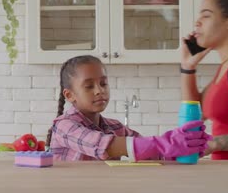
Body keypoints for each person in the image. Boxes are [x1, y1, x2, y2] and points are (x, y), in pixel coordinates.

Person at [46, 55, 211, 161]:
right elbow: (104, 145)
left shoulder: (115, 127)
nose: (99, 90)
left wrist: (192, 146)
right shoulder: (63, 126)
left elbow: (152, 152)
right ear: (69, 95)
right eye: (89, 86)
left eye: (103, 83)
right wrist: (165, 143)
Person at [180, 0, 228, 160]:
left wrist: (214, 143)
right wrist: (187, 67)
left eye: (206, 15)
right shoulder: (226, 66)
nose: (197, 22)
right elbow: (194, 118)